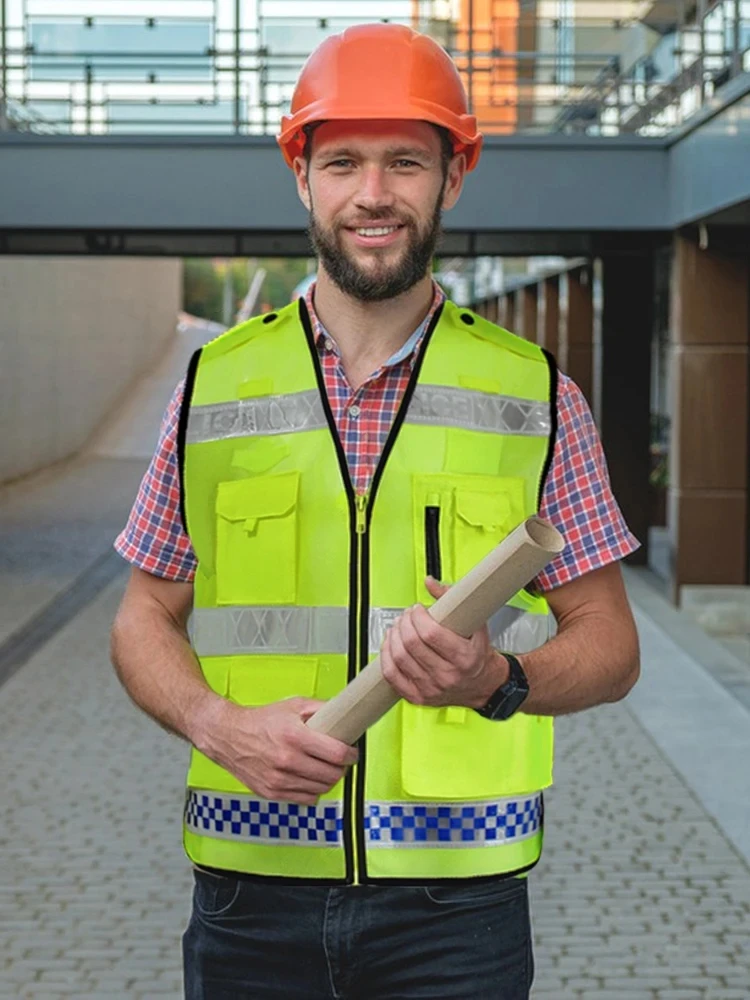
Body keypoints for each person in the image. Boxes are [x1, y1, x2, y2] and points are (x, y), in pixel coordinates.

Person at [110, 22, 640, 1000]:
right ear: (301, 175)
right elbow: (143, 614)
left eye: (406, 160)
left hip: (460, 915)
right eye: (344, 161)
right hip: (248, 901)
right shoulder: (213, 387)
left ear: (454, 177)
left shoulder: (537, 395)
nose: (374, 194)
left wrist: (501, 676)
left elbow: (610, 641)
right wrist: (218, 724)